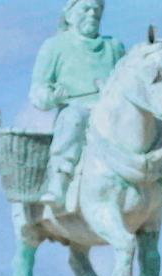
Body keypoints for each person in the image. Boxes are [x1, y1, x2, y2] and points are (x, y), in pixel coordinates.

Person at [30, 0, 125, 206]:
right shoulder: (54, 46)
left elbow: (132, 79)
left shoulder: (114, 46)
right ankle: (59, 182)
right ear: (70, 14)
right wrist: (52, 97)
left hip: (111, 114)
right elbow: (37, 90)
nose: (92, 14)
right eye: (86, 9)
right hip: (77, 112)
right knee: (74, 117)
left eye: (97, 10)